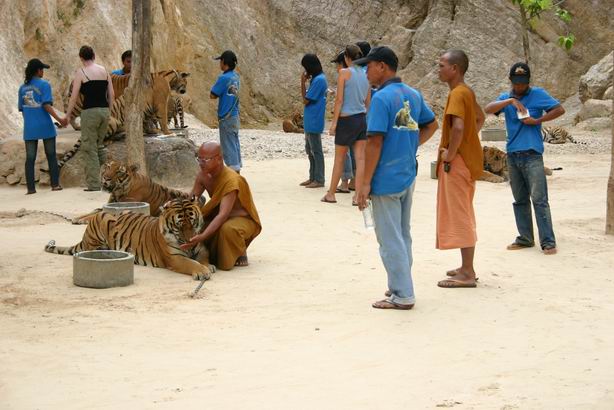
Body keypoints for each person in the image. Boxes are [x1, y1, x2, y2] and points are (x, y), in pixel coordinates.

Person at [354, 47, 438, 310]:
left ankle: (402, 294)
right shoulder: (413, 94)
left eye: (368, 66)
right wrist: (410, 146)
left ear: (382, 66)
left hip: (385, 178)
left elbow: (374, 142)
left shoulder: (381, 98)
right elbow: (431, 124)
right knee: (402, 234)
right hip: (407, 173)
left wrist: (364, 183)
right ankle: (400, 284)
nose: (366, 72)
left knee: (389, 238)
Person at [484, 62, 564, 255]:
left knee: (539, 199)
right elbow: (488, 108)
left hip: (532, 155)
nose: (520, 86)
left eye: (523, 82)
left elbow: (559, 109)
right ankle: (525, 238)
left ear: (528, 81)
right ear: (511, 81)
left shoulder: (538, 94)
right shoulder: (506, 98)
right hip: (513, 156)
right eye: (516, 83)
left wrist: (537, 120)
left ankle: (548, 241)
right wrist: (510, 102)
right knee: (519, 200)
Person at [435, 49, 485, 289]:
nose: (438, 69)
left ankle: (467, 272)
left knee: (461, 213)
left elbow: (458, 127)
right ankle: (465, 266)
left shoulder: (457, 93)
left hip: (458, 163)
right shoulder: (466, 91)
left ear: (454, 69)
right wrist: (467, 141)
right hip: (467, 161)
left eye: (441, 65)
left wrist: (451, 153)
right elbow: (480, 118)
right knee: (464, 209)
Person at [181, 142, 261, 270]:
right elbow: (191, 201)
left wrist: (203, 236)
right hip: (219, 216)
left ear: (219, 159)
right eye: (199, 159)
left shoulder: (231, 180)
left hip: (241, 219)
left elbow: (223, 215)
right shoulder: (203, 176)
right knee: (195, 227)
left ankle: (240, 250)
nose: (201, 163)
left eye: (205, 160)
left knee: (227, 229)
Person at [322, 44, 371, 205]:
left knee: (339, 159)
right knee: (360, 159)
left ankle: (331, 194)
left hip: (346, 120)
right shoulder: (367, 75)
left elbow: (339, 100)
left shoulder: (344, 73)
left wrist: (334, 123)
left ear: (346, 57)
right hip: (361, 119)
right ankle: (357, 197)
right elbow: (368, 102)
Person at [62, 46, 114, 191]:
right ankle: (111, 177)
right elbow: (111, 94)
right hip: (104, 111)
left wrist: (68, 115)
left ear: (81, 58)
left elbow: (74, 97)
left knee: (89, 148)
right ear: (94, 56)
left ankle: (94, 184)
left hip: (90, 112)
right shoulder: (104, 71)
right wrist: (109, 111)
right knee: (99, 145)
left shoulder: (81, 72)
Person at [18, 58, 64, 194]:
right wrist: (59, 119)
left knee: (30, 158)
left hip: (30, 128)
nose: (43, 72)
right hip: (45, 125)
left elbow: (22, 110)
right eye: (42, 69)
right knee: (51, 155)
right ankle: (55, 185)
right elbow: (46, 105)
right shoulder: (45, 85)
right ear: (38, 71)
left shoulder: (22, 88)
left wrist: (30, 121)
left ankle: (31, 189)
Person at [299, 54, 328, 188]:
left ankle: (319, 179)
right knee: (310, 150)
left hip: (314, 119)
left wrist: (302, 82)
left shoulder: (319, 80)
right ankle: (313, 177)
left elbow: (305, 100)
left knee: (316, 150)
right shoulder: (317, 79)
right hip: (311, 119)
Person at [211, 50, 241, 173]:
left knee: (228, 148)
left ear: (224, 62)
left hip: (226, 118)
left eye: (220, 61)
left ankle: (233, 177)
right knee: (234, 145)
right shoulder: (236, 77)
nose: (220, 64)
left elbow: (213, 95)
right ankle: (237, 174)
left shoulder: (223, 78)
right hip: (234, 116)